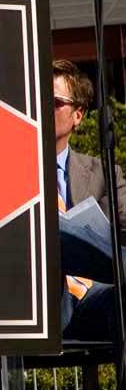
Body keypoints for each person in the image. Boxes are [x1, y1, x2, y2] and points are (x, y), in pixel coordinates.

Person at [51, 59, 126, 343]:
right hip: (46, 304)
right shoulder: (12, 172)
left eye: (55, 101)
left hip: (95, 301)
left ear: (78, 115)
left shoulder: (102, 173)